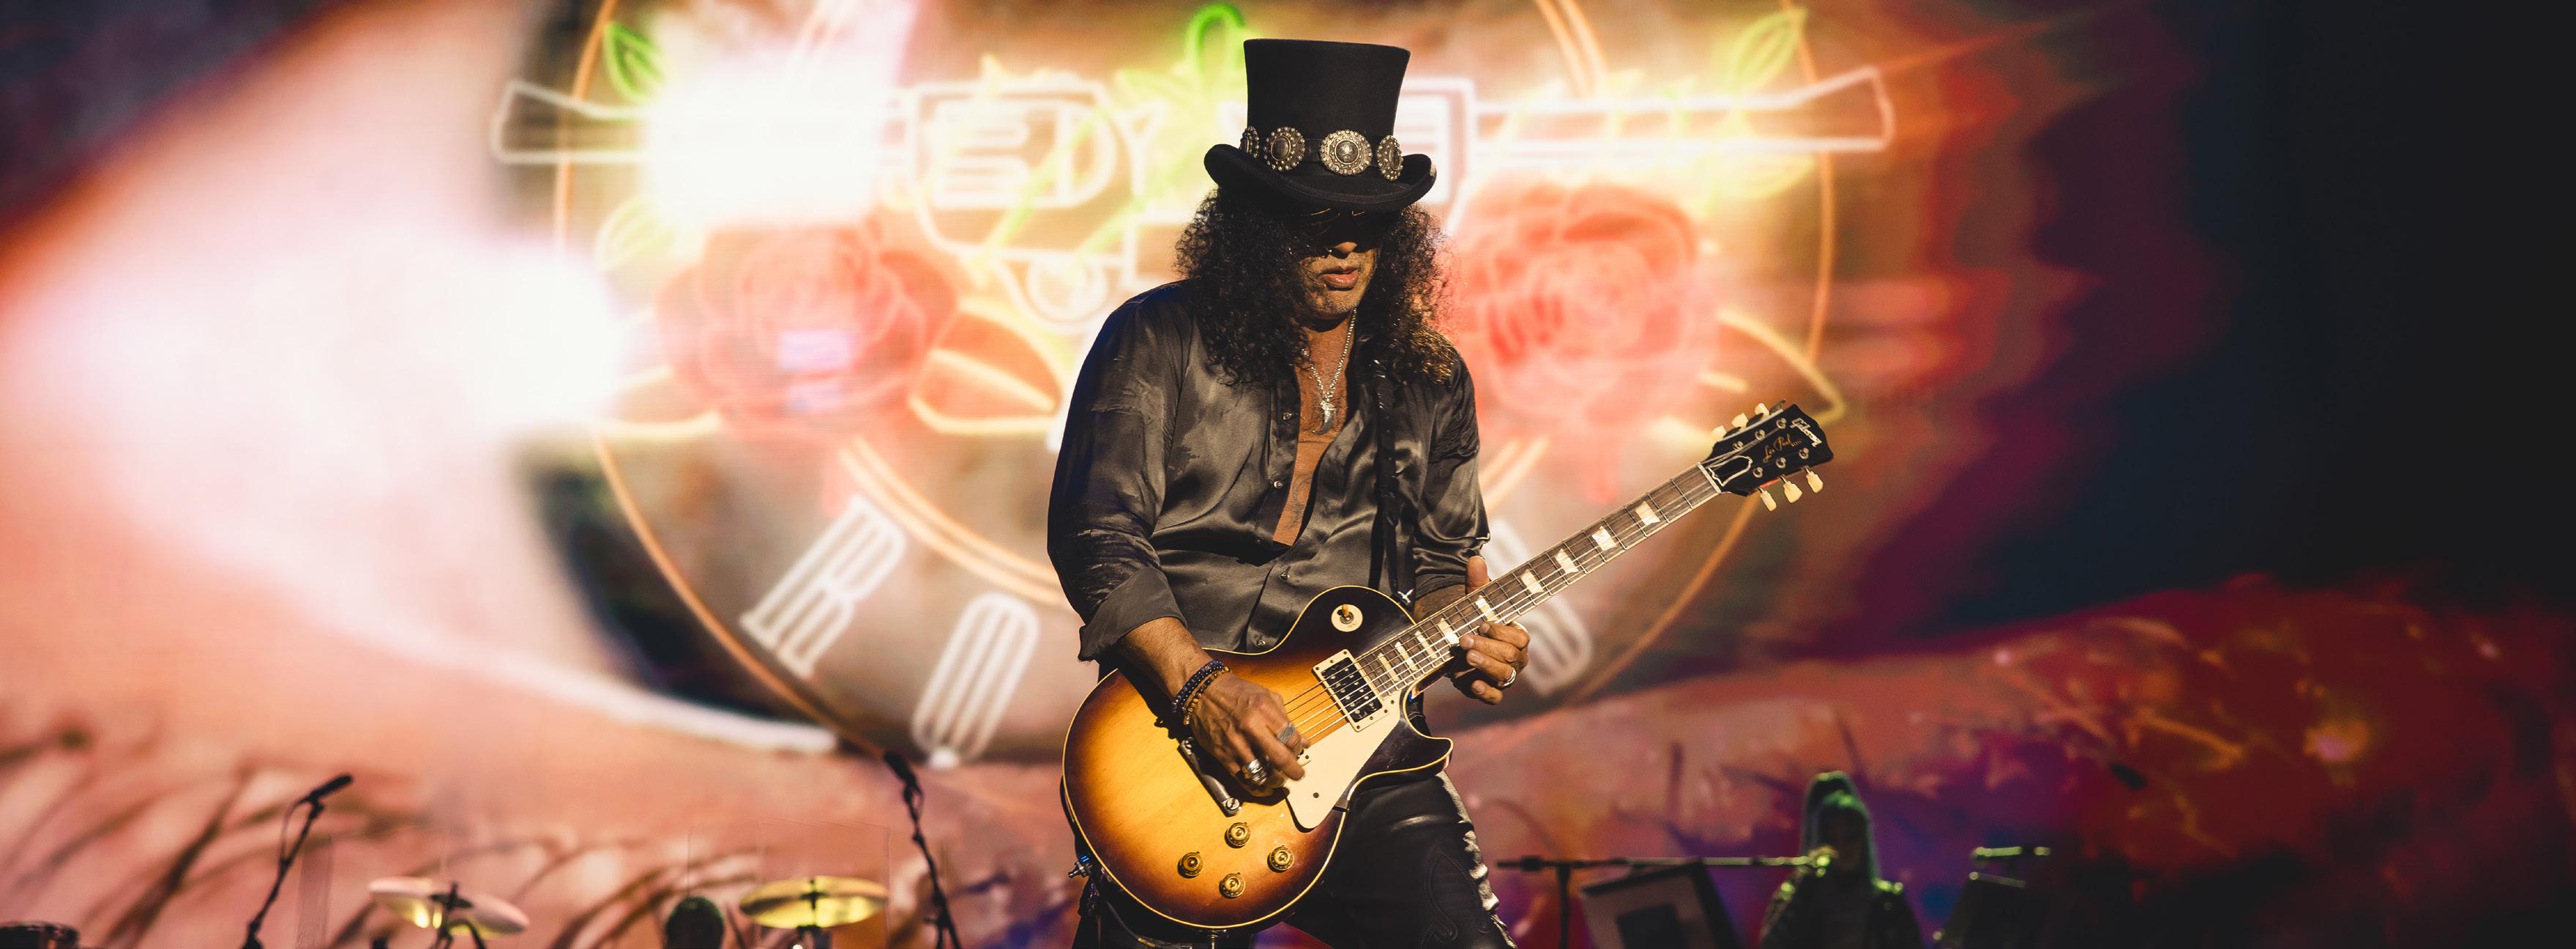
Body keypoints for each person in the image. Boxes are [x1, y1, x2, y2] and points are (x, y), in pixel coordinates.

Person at [1048, 38, 1527, 949]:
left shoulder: (1429, 377)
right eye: (1317, 219)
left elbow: (1439, 568)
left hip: (1369, 758)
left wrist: (1465, 637)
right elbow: (1098, 536)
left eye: (1371, 221)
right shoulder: (1157, 339)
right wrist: (1203, 691)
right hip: (1178, 753)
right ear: (1256, 224)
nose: (1346, 243)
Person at [1758, 772, 1926, 949]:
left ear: (1864, 840)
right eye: (1831, 839)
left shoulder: (1889, 903)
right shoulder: (1797, 896)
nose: (1842, 847)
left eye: (1851, 837)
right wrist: (1805, 885)